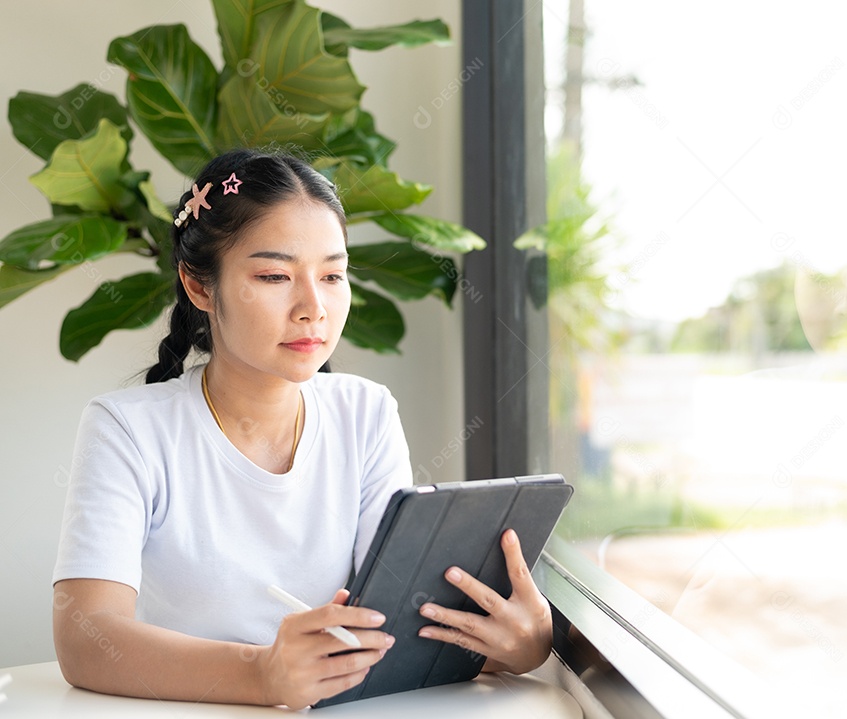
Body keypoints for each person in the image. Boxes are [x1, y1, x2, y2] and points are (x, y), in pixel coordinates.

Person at [51, 148, 553, 710]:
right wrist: (261, 675)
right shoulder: (127, 429)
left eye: (333, 275)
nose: (313, 307)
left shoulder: (365, 413)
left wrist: (520, 644)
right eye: (274, 275)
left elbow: (399, 624)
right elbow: (85, 640)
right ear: (198, 286)